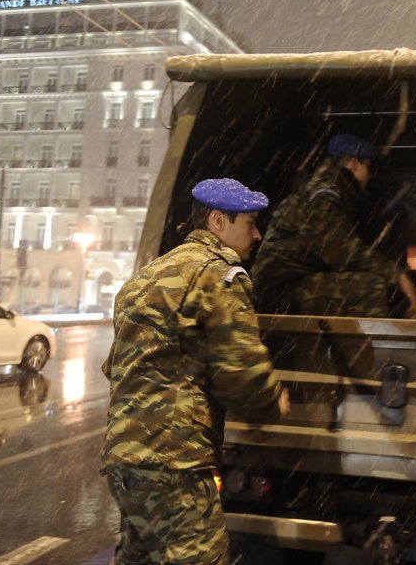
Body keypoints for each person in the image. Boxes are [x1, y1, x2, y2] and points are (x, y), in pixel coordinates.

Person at [101, 178, 289, 565]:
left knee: (141, 558)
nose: (258, 234)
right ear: (218, 221)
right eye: (250, 223)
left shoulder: (149, 275)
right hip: (175, 461)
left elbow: (114, 365)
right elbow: (241, 369)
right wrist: (272, 402)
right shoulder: (218, 275)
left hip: (125, 457)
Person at [251, 133, 416, 318]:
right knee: (369, 287)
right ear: (353, 164)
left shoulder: (329, 189)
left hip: (291, 285)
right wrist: (396, 275)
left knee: (362, 283)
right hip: (280, 291)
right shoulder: (326, 192)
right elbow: (341, 251)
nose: (370, 175)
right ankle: (368, 346)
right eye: (368, 167)